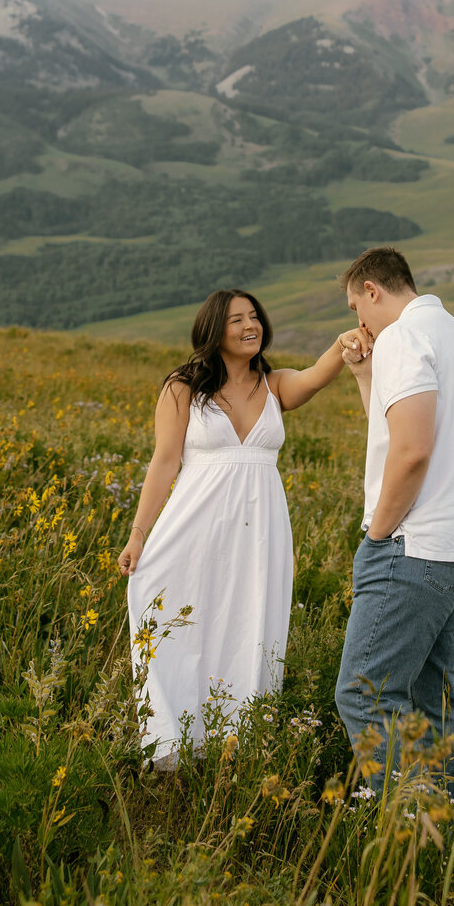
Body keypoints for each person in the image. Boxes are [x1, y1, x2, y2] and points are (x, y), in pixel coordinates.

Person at [119, 287, 358, 767]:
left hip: (259, 534)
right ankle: (174, 737)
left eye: (255, 317)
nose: (251, 326)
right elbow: (164, 462)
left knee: (250, 625)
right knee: (182, 624)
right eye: (236, 321)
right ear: (214, 330)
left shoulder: (274, 386)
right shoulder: (182, 387)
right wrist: (139, 534)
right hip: (193, 529)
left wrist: (344, 344)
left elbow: (315, 376)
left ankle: (238, 740)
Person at [334, 246, 454, 802]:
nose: (361, 325)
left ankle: (407, 825)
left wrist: (376, 537)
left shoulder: (405, 336)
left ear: (374, 291)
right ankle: (438, 823)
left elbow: (410, 452)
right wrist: (365, 374)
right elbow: (396, 433)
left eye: (359, 309)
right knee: (431, 697)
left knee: (365, 694)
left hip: (416, 545)